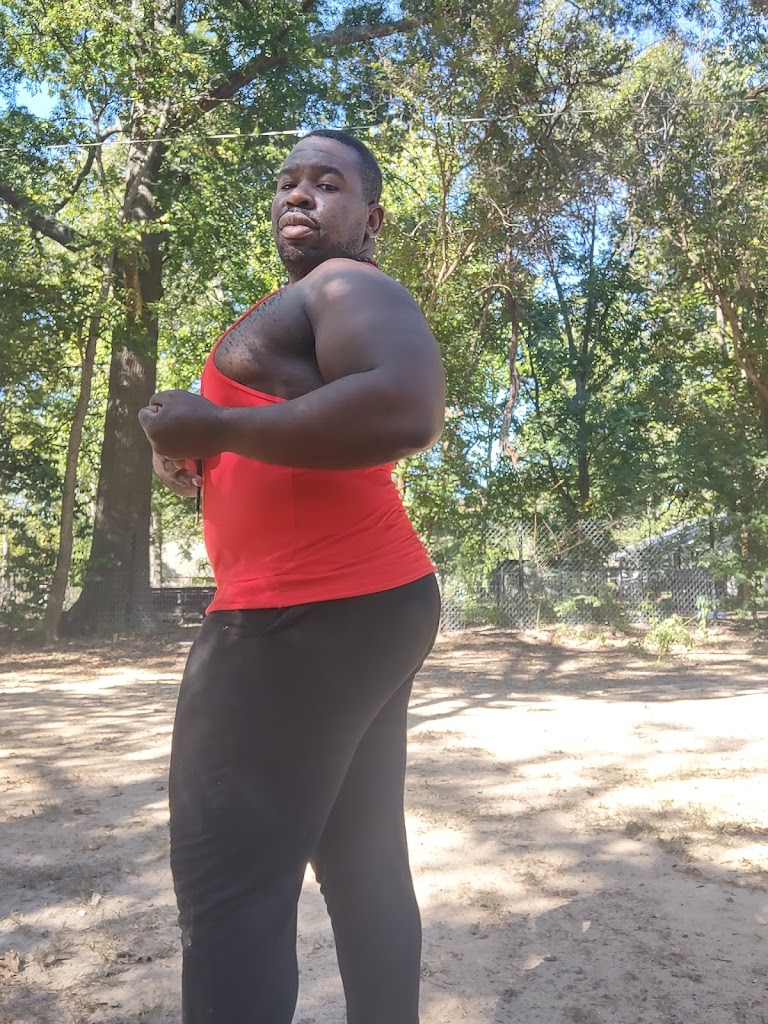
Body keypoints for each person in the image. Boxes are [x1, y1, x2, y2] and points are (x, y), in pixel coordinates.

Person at [138, 128, 445, 1024]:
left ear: (370, 218)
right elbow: (299, 425)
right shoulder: (295, 304)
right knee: (363, 866)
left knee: (227, 896)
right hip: (361, 604)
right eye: (287, 182)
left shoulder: (348, 284)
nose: (299, 195)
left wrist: (218, 429)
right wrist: (198, 451)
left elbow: (406, 406)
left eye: (328, 183)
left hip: (302, 612)